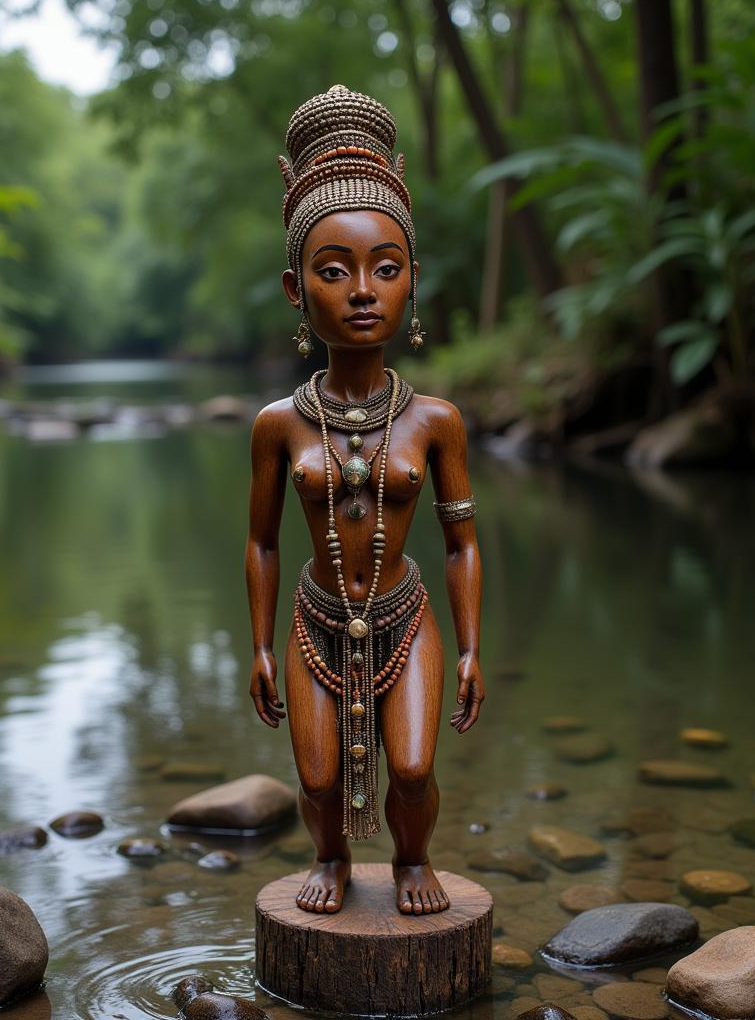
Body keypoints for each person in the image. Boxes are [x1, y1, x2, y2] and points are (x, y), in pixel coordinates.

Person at [245, 85, 484, 917]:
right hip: (314, 616)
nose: (362, 291)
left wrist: (468, 647)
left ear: (412, 279)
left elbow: (461, 542)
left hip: (404, 611)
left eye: (386, 267)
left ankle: (414, 861)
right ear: (294, 287)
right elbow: (264, 542)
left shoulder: (434, 421)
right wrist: (260, 645)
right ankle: (332, 857)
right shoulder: (279, 425)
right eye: (333, 269)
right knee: (314, 775)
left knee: (414, 767)